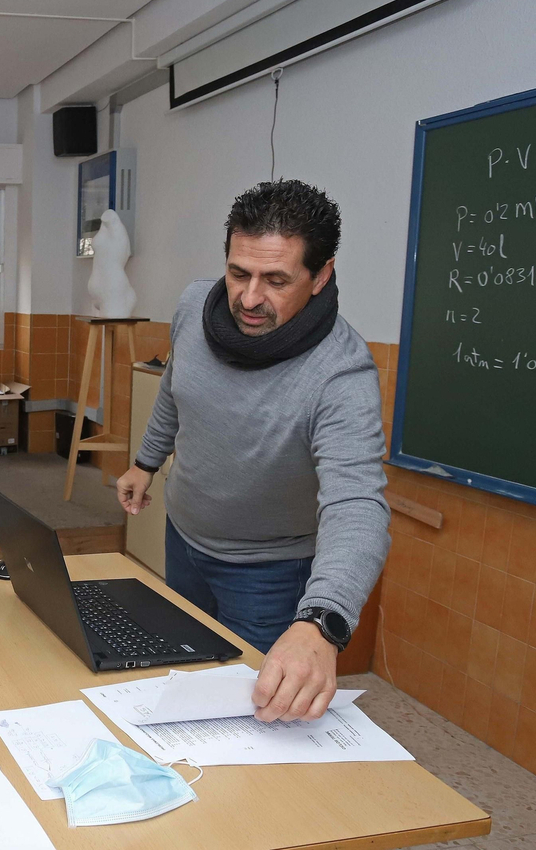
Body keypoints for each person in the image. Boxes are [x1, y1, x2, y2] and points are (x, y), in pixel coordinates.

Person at [117, 179, 388, 724]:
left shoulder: (342, 373)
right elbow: (177, 387)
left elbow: (356, 505)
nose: (248, 297)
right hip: (185, 538)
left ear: (322, 276)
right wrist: (146, 461)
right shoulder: (195, 304)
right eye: (239, 272)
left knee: (251, 724)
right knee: (186, 683)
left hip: (269, 575)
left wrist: (322, 623)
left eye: (276, 280)